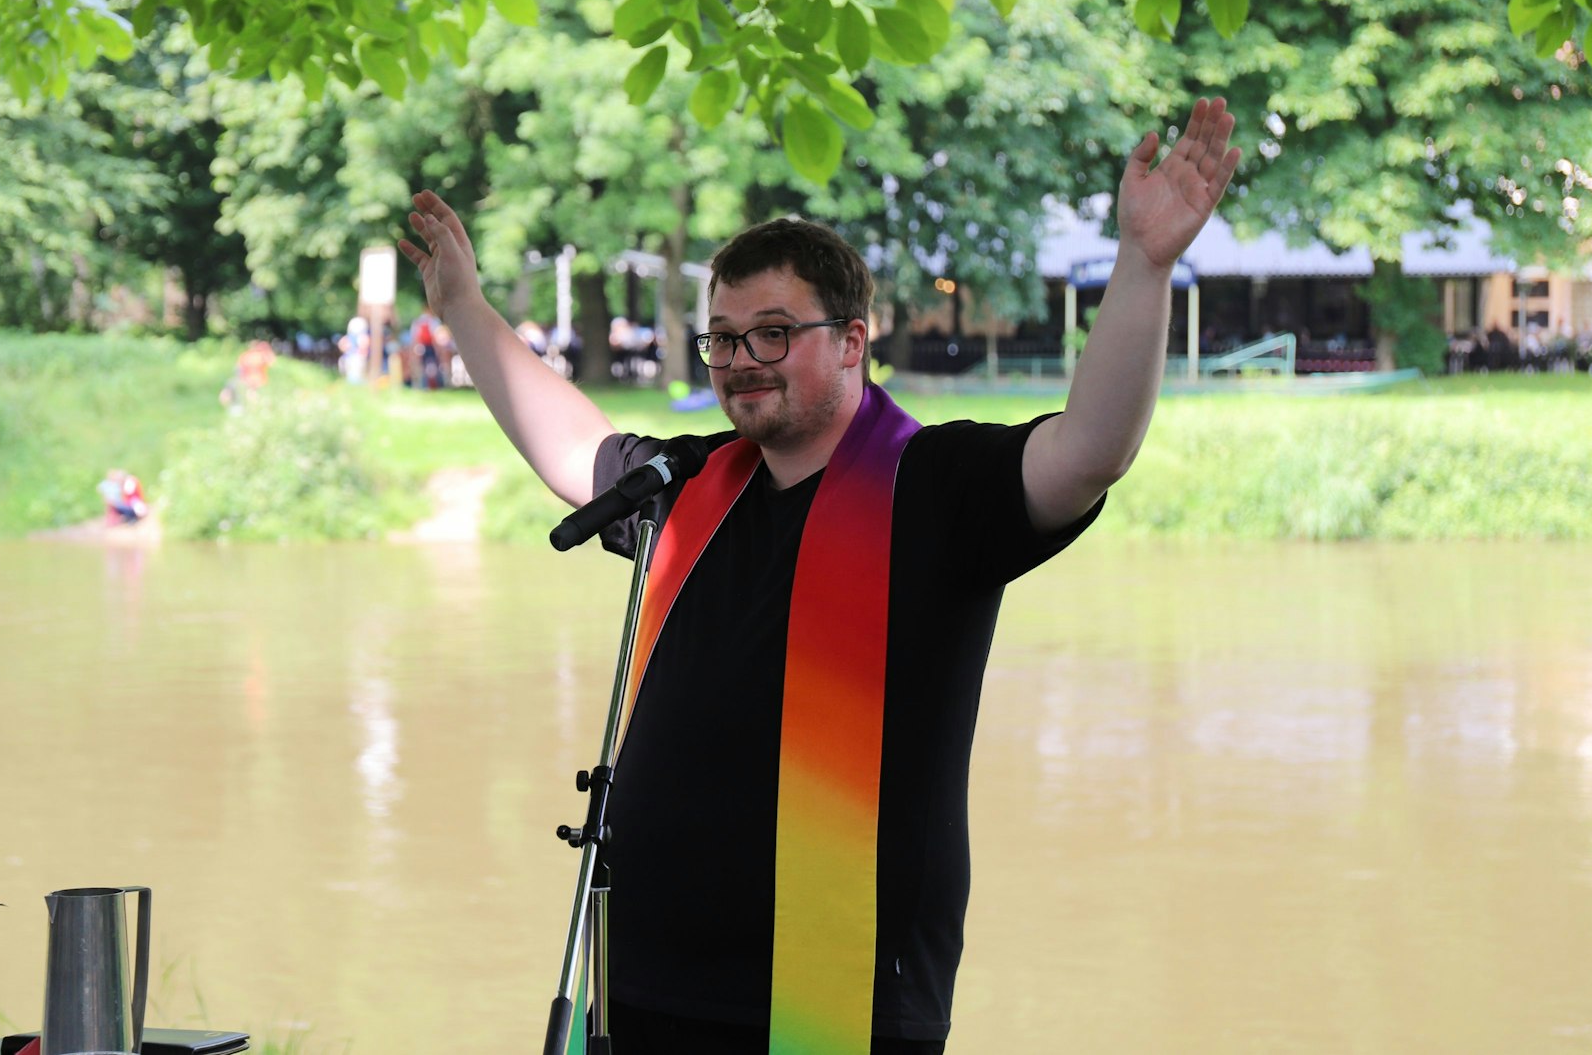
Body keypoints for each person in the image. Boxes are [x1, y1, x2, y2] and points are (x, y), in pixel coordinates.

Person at [401, 98, 1240, 1054]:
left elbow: (1089, 450)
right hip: (640, 989)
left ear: (851, 339)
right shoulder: (688, 485)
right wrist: (465, 307)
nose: (740, 361)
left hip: (837, 1008)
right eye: (723, 338)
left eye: (772, 333)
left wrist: (1144, 263)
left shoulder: (930, 490)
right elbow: (574, 446)